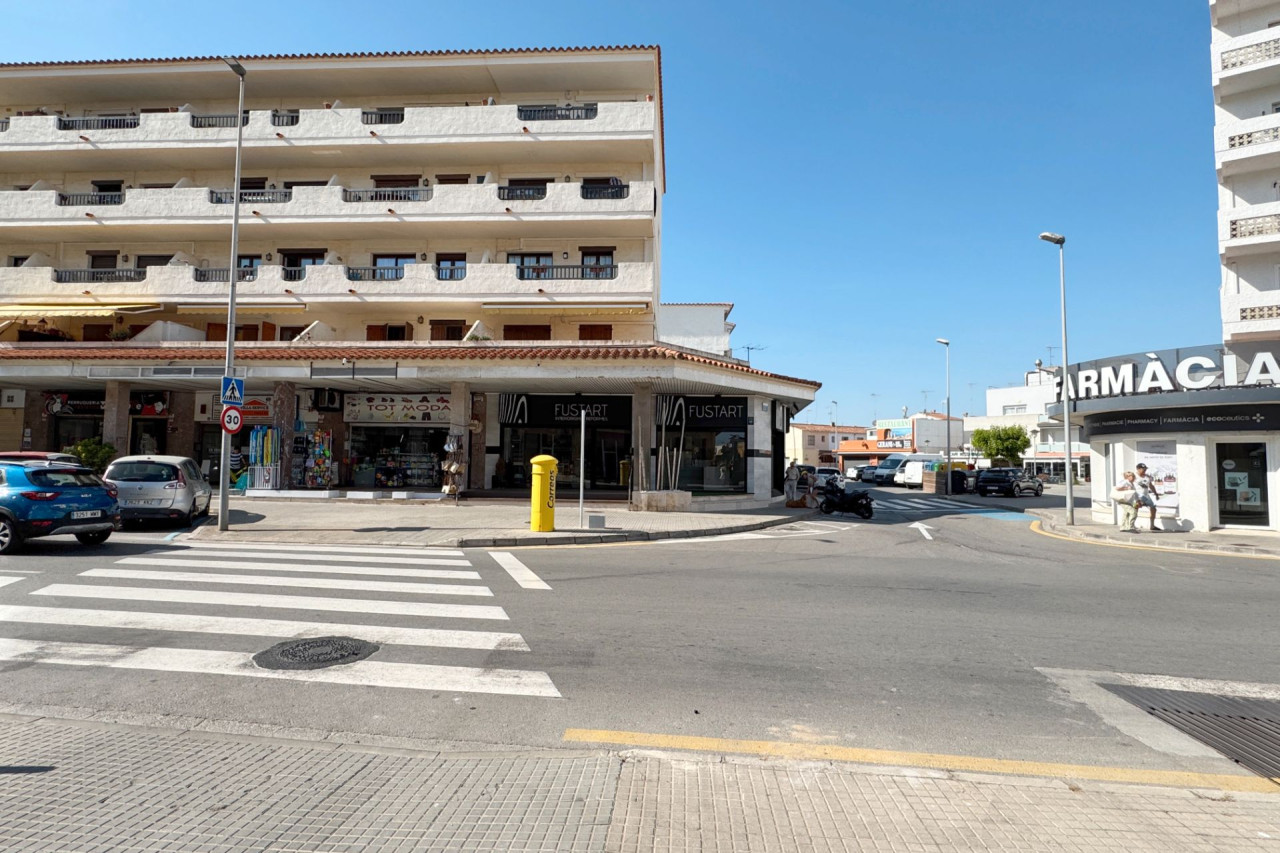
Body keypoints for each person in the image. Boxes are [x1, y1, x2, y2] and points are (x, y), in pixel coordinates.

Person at [1134, 462, 1160, 530]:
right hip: (1137, 495)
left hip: (1146, 496)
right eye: (1143, 469)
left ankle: (1152, 525)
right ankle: (1132, 525)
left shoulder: (1147, 477)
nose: (1145, 470)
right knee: (1135, 509)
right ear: (1138, 469)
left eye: (1145, 469)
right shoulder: (1134, 476)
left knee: (1153, 508)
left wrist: (1156, 494)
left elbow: (1151, 486)